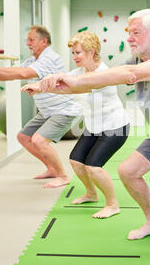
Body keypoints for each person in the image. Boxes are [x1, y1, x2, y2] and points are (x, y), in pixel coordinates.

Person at [23, 9, 150, 263]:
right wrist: (52, 85)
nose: (129, 38)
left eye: (136, 32)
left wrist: (68, 80)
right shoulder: (138, 59)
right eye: (128, 33)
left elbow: (129, 75)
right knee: (128, 171)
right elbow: (97, 82)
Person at [23, 31, 130, 218]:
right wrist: (39, 86)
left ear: (92, 52)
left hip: (115, 127)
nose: (74, 57)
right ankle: (91, 193)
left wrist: (50, 85)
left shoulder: (103, 74)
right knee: (76, 161)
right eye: (73, 53)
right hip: (94, 126)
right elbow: (65, 80)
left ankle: (113, 204)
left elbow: (76, 86)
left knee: (94, 167)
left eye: (78, 53)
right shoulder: (79, 72)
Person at [0, 25, 82, 188]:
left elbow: (23, 74)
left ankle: (63, 175)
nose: (28, 43)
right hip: (47, 111)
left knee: (39, 141)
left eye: (31, 40)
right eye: (28, 40)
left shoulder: (49, 58)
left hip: (63, 110)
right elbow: (13, 73)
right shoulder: (34, 60)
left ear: (44, 41)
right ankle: (51, 169)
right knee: (23, 137)